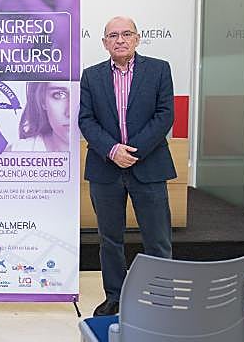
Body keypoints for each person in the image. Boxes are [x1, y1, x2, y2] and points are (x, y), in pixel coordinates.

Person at [78, 16, 176, 316]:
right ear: (104, 42)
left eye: (126, 34)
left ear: (137, 38)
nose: (119, 40)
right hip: (105, 169)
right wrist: (112, 151)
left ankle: (161, 299)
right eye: (113, 35)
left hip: (149, 166)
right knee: (110, 240)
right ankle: (115, 297)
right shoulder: (91, 76)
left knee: (157, 239)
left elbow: (165, 115)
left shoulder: (159, 69)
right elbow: (86, 120)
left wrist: (132, 152)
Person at [10, 81, 70, 151]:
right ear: (42, 101)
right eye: (59, 94)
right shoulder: (16, 152)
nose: (70, 113)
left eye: (80, 95)